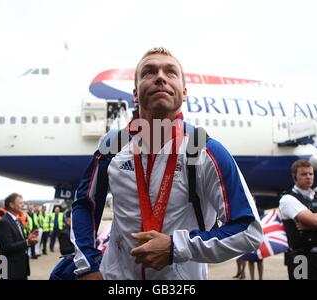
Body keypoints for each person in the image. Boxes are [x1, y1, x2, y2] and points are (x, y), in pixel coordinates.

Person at [71, 47, 263, 280]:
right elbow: (85, 205)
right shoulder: (112, 145)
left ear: (184, 92)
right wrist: (88, 266)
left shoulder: (206, 150)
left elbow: (249, 230)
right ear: (135, 93)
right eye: (149, 72)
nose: (160, 76)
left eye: (170, 72)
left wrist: (177, 247)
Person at [0, 193, 38, 280]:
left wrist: (29, 238)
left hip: (20, 266)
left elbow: (18, 240)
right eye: (20, 203)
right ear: (11, 205)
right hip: (9, 268)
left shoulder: (16, 219)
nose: (22, 205)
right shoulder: (4, 222)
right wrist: (27, 242)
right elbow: (7, 247)